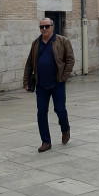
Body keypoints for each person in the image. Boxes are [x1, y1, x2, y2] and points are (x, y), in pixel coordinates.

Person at [23, 18, 75, 153]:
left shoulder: (63, 41)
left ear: (52, 27)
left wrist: (64, 77)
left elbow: (70, 60)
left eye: (47, 26)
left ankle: (65, 129)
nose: (44, 29)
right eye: (42, 27)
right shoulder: (36, 43)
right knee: (41, 113)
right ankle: (46, 141)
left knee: (60, 110)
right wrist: (26, 81)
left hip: (57, 83)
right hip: (41, 84)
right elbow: (29, 63)